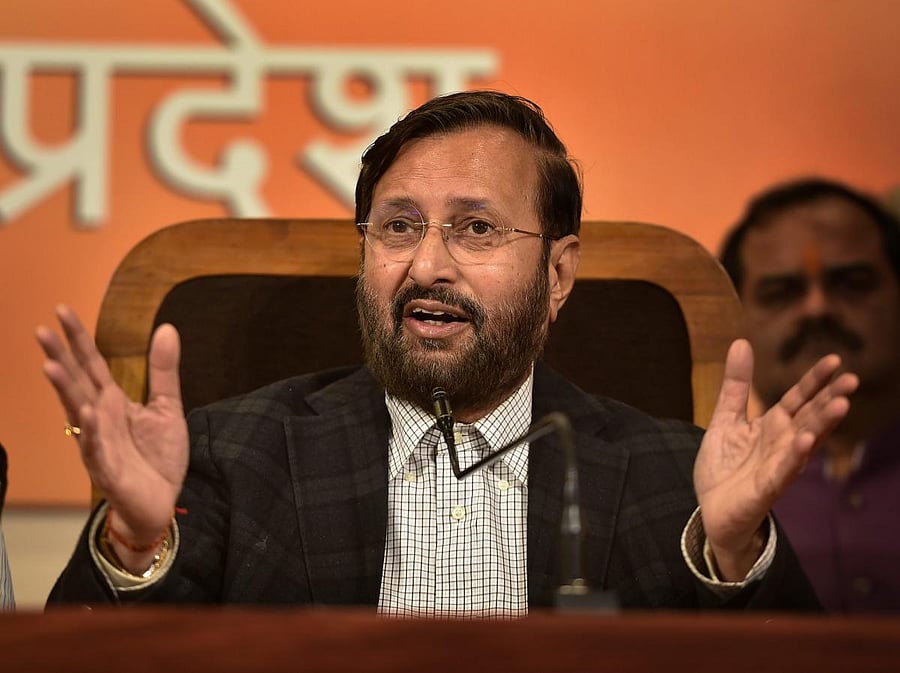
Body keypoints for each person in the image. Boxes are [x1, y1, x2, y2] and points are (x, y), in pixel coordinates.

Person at [38, 92, 856, 617]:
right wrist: (133, 547)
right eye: (399, 226)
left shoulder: (670, 477)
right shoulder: (232, 454)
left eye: (476, 228)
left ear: (558, 273)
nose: (427, 264)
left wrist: (736, 555)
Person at [720, 177, 900, 612]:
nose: (817, 308)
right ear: (735, 318)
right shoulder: (702, 498)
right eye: (780, 293)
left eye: (852, 283)